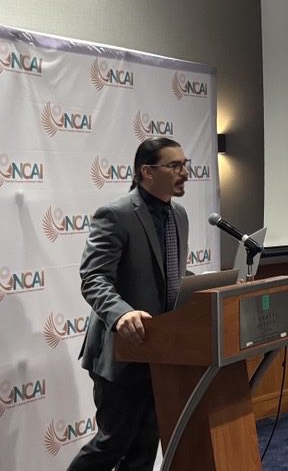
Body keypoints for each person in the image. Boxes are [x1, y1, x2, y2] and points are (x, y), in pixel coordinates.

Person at [69, 137, 191, 470]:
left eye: (185, 165)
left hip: (159, 351)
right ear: (147, 172)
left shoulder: (179, 215)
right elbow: (93, 278)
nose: (184, 173)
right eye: (174, 166)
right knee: (112, 444)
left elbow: (170, 273)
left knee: (144, 449)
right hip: (121, 351)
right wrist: (121, 314)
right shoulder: (116, 214)